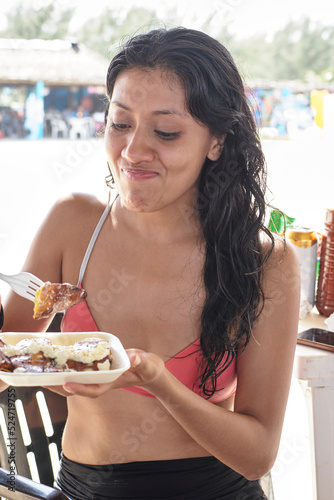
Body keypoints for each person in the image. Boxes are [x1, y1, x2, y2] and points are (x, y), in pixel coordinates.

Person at [0, 27, 300, 499]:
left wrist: (159, 381)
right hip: (82, 488)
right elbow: (11, 354)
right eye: (120, 124)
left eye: (166, 132)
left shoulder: (263, 260)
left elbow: (257, 453)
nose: (134, 151)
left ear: (216, 140)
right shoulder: (72, 222)